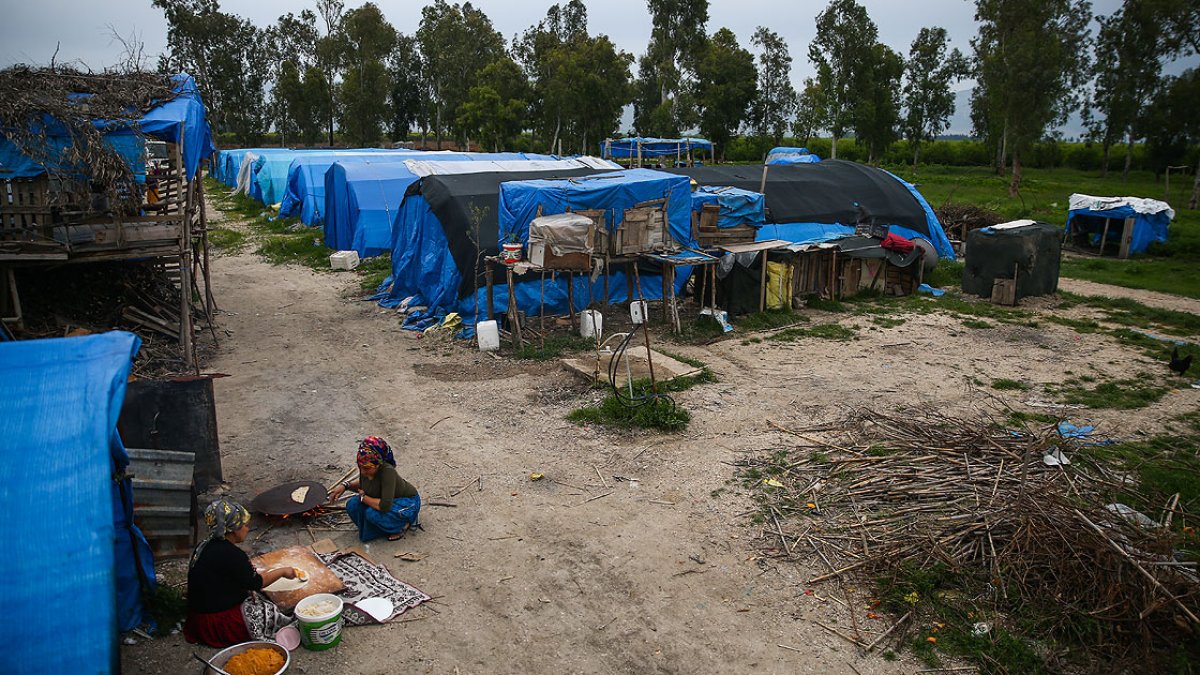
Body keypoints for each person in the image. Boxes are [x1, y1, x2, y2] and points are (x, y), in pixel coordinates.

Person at [184, 498, 298, 647]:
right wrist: (283, 571)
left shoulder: (203, 546)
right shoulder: (233, 555)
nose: (247, 528)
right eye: (244, 525)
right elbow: (256, 583)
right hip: (215, 623)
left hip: (196, 617)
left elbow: (222, 580)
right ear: (233, 528)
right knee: (266, 610)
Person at [329, 436, 421, 542]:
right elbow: (364, 484)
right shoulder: (366, 466)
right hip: (381, 500)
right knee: (352, 505)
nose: (363, 472)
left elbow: (385, 505)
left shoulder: (388, 472)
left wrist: (363, 497)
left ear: (378, 464)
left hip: (408, 503)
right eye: (360, 467)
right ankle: (379, 528)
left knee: (371, 513)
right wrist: (345, 486)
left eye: (367, 468)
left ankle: (402, 525)